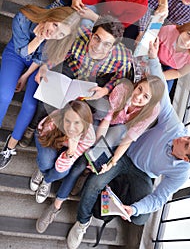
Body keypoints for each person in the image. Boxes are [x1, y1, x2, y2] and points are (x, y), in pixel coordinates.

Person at [65, 39, 190, 249]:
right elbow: (160, 93)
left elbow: (159, 198)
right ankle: (82, 222)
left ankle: (118, 196)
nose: (184, 138)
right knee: (94, 184)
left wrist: (134, 209)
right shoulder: (176, 127)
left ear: (186, 158)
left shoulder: (181, 173)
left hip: (144, 174)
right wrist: (153, 58)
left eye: (187, 144)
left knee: (140, 219)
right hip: (126, 154)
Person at [35, 74, 164, 233]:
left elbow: (128, 139)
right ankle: (57, 172)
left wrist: (112, 161)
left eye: (145, 97)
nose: (138, 96)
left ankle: (57, 204)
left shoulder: (151, 112)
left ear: (150, 102)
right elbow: (107, 120)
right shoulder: (123, 90)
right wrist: (94, 147)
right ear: (136, 84)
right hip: (101, 121)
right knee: (82, 158)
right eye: (139, 89)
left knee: (83, 164)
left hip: (119, 131)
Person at [20, 15, 133, 148]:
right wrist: (46, 66)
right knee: (48, 93)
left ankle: (66, 129)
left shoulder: (123, 58)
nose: (98, 47)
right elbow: (62, 53)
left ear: (113, 47)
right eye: (97, 38)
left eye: (106, 44)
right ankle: (33, 126)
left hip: (92, 80)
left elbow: (120, 77)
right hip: (72, 69)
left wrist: (105, 90)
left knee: (99, 109)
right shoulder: (78, 35)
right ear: (91, 34)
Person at [0, 6, 81, 169]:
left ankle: (11, 145)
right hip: (17, 53)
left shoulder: (59, 42)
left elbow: (42, 59)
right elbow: (22, 52)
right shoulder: (24, 17)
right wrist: (39, 38)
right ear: (52, 15)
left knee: (30, 105)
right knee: (4, 95)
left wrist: (24, 76)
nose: (54, 33)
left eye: (61, 34)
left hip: (37, 65)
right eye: (55, 25)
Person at [30, 100, 95, 205]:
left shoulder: (89, 137)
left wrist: (71, 151)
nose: (71, 127)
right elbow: (45, 139)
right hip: (48, 137)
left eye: (77, 122)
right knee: (46, 161)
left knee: (62, 172)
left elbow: (61, 168)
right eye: (67, 121)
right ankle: (42, 170)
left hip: (67, 145)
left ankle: (46, 180)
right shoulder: (54, 122)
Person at [156, 19, 190, 91]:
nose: (187, 42)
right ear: (186, 27)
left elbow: (180, 72)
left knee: (163, 93)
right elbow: (149, 47)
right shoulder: (168, 30)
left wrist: (158, 76)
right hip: (154, 56)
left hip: (170, 69)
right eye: (189, 34)